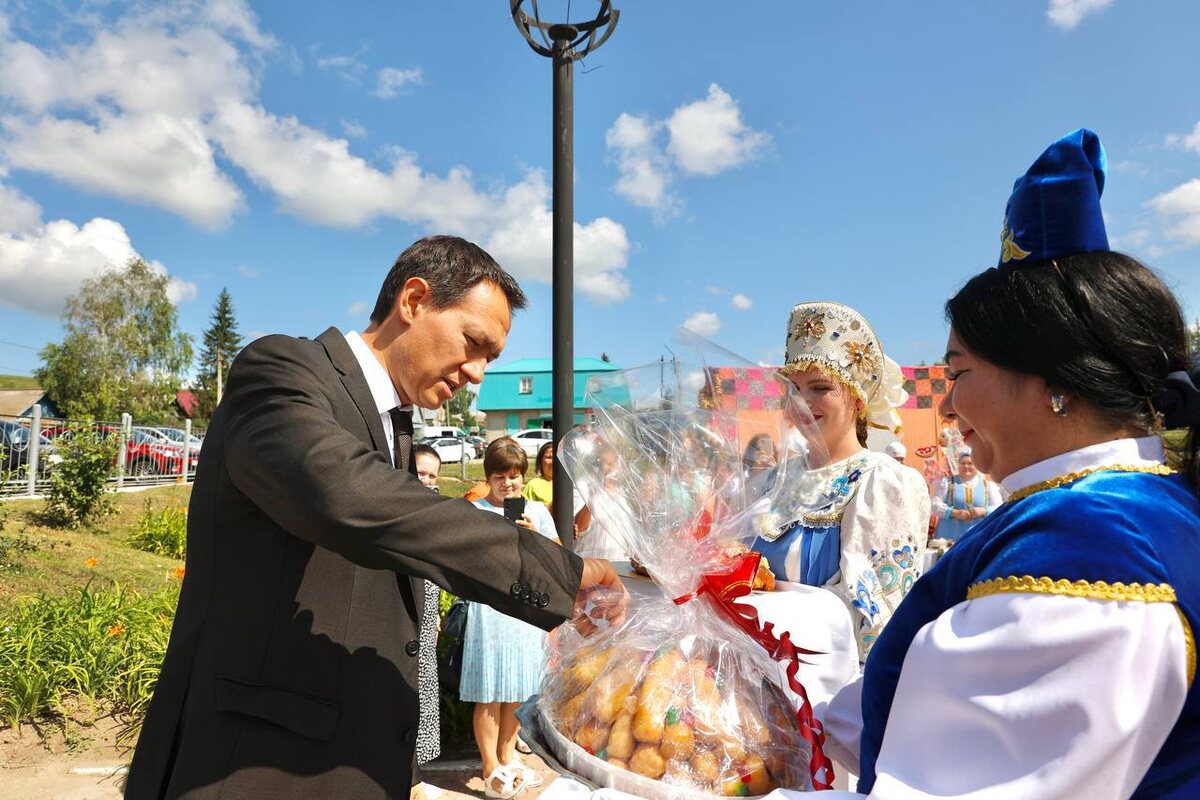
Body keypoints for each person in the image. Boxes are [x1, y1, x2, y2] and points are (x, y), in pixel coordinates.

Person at [125, 236, 625, 800]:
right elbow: (349, 497)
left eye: (492, 358)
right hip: (256, 768)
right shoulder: (283, 371)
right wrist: (555, 571)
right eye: (473, 342)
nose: (479, 373)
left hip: (352, 762)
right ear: (413, 300)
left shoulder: (397, 424)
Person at [817, 129, 1200, 799]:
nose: (951, 405)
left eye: (959, 373)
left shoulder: (1092, 548)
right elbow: (907, 695)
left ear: (1054, 380)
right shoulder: (1116, 511)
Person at [752, 301, 930, 661]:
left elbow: (875, 622)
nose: (802, 402)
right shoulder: (773, 481)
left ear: (857, 399)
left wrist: (754, 607)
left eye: (819, 388)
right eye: (793, 390)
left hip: (824, 698)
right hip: (753, 673)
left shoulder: (880, 482)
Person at [460, 441, 558, 799]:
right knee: (489, 690)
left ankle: (507, 755)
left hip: (525, 610)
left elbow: (557, 559)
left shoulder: (537, 512)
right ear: (488, 478)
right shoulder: (475, 510)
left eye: (514, 476)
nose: (508, 484)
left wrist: (534, 537)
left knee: (517, 687)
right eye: (500, 476)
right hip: (489, 608)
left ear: (523, 476)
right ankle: (490, 766)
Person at [929, 448, 1002, 540]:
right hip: (949, 534)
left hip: (978, 534)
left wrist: (982, 511)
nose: (966, 466)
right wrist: (954, 513)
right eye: (962, 463)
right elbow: (935, 504)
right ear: (958, 465)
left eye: (970, 463)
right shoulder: (947, 482)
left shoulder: (988, 485)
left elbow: (999, 507)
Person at [523, 441, 556, 511]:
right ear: (540, 461)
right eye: (549, 457)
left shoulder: (570, 485)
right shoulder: (533, 485)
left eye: (556, 457)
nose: (553, 461)